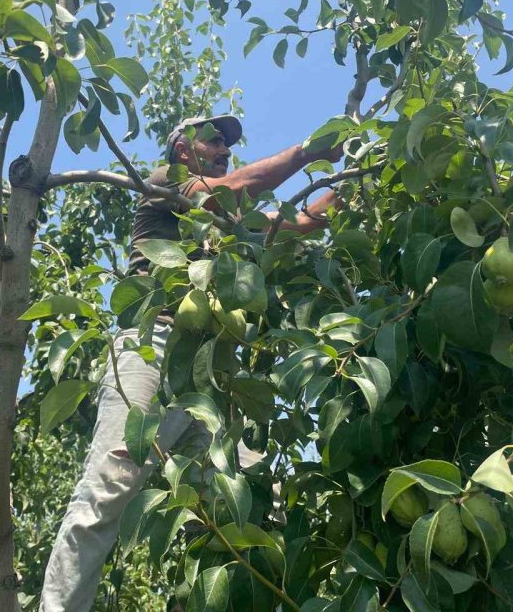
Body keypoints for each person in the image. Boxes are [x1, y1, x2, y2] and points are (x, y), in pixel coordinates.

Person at [40, 115, 344, 611]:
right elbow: (233, 190)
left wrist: (350, 188)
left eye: (228, 144)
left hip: (210, 370)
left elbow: (301, 223)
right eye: (214, 140)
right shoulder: (167, 185)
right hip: (153, 346)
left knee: (238, 501)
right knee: (110, 486)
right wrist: (311, 149)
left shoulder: (226, 221)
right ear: (183, 149)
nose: (225, 148)